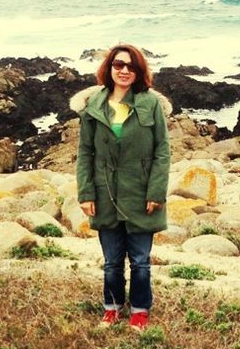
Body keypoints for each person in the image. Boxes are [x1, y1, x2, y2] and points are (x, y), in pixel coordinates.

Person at [71, 44, 171, 329]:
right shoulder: (94, 105)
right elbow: (85, 153)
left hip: (141, 194)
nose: (124, 70)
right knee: (112, 261)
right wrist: (86, 193)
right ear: (109, 68)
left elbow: (162, 151)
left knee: (140, 261)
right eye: (118, 65)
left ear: (139, 71)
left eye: (131, 66)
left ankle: (139, 311)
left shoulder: (150, 103)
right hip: (105, 194)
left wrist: (156, 192)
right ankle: (111, 308)